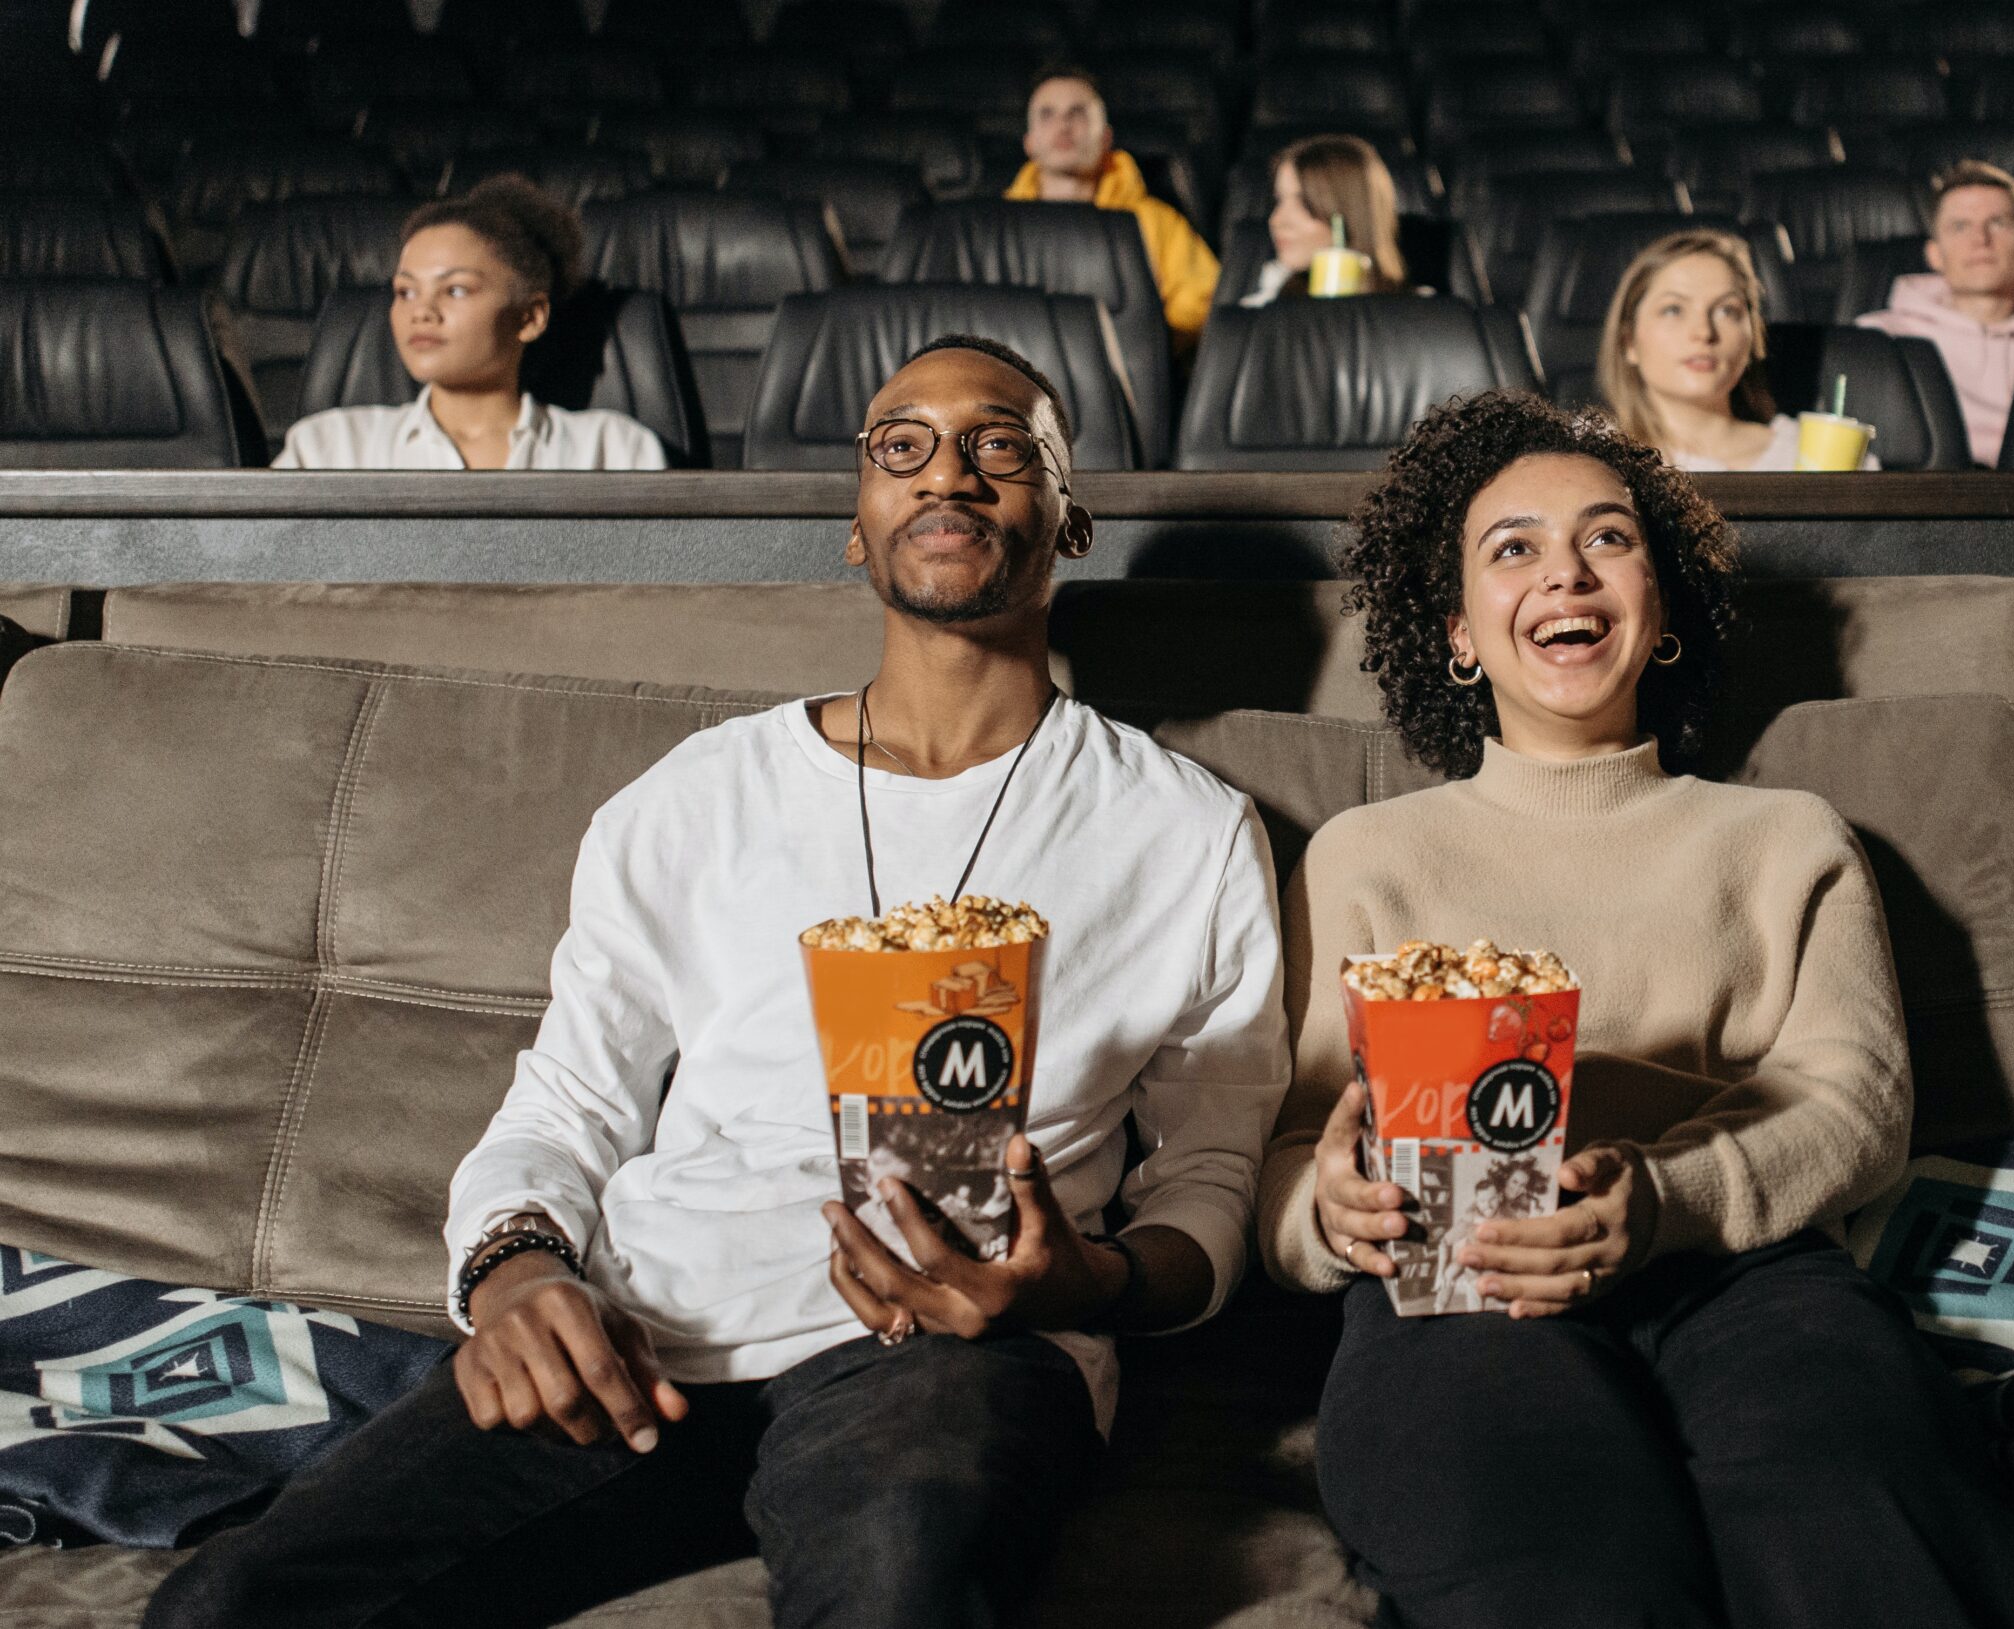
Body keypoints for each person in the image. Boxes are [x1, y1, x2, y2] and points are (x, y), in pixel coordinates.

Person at [148, 336, 1290, 1629]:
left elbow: (1212, 1184)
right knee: (226, 1604)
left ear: (1069, 517)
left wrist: (1085, 1281)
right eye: (900, 446)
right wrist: (518, 1273)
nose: (948, 476)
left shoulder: (1185, 831)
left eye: (1002, 444)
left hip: (952, 1349)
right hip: (646, 1327)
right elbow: (566, 1101)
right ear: (857, 527)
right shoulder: (696, 797)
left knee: (896, 1596)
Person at [1258, 389, 2014, 1629]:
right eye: (1511, 546)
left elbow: (1858, 1105)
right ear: (1459, 628)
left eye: (1608, 537)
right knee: (1559, 1573)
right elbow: (1285, 1151)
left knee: (1854, 1529)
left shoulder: (1785, 837)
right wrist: (1327, 1206)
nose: (1564, 571)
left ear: (1660, 602)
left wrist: (1666, 1200)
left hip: (1742, 1274)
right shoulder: (1365, 857)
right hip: (1459, 1280)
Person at [270, 176, 666, 471]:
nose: (421, 311)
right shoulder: (327, 449)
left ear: (529, 318)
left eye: (455, 290)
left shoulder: (615, 450)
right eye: (405, 292)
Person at [1597, 226, 1876, 471]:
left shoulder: (1816, 454)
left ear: (1752, 336)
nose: (1704, 332)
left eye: (1726, 311)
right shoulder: (1593, 455)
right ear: (1628, 342)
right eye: (1673, 310)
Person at [1855, 160, 2014, 467]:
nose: (1980, 240)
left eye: (1997, 222)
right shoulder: (1877, 339)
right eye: (1960, 226)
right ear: (1934, 254)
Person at [1005, 66, 1219, 346]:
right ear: (1029, 142)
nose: (1063, 126)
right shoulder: (997, 225)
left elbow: (1205, 302)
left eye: (1077, 113)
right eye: (1047, 115)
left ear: (1105, 137)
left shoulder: (1155, 221)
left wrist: (1147, 321)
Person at [1240, 134, 1410, 306]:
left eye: (1305, 204)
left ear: (1349, 212)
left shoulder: (1420, 316)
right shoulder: (1258, 313)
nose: (1276, 220)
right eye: (1279, 201)